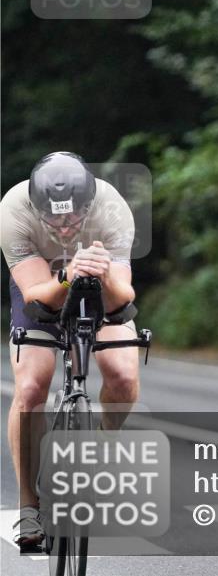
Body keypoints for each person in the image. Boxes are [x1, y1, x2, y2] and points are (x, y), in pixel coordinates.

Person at [1, 152, 139, 548]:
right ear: (37, 208)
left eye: (73, 218)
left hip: (100, 283)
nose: (64, 228)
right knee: (31, 388)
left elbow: (123, 298)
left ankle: (101, 449)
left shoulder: (112, 207)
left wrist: (103, 274)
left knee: (123, 375)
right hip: (43, 285)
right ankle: (29, 505)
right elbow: (35, 295)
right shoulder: (13, 210)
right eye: (54, 219)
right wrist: (66, 276)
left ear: (88, 205)